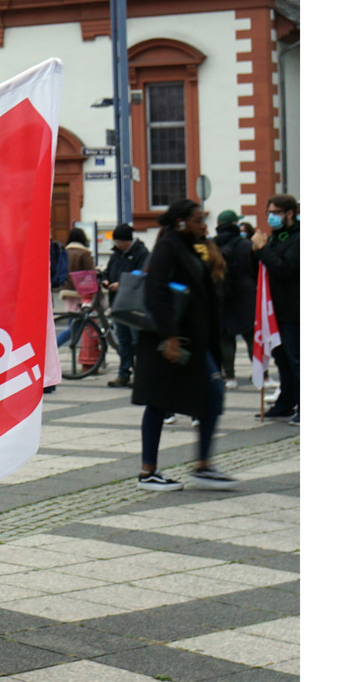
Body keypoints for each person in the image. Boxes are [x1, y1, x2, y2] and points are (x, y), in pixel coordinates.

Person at [130, 199, 236, 491]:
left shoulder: (188, 247)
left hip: (193, 341)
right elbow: (156, 291)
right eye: (198, 219)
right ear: (181, 222)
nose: (203, 224)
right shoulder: (168, 247)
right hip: (170, 342)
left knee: (211, 395)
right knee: (159, 401)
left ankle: (203, 465)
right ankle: (148, 471)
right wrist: (170, 336)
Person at [253, 194, 299, 423]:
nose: (271, 217)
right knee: (282, 359)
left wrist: (263, 250)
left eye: (275, 213)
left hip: (293, 309)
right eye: (269, 213)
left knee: (296, 359)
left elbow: (284, 269)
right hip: (275, 310)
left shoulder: (298, 239)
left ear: (289, 213)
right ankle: (286, 402)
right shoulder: (276, 238)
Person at [102, 223, 148, 388]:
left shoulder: (141, 253)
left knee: (136, 341)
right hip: (118, 304)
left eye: (119, 242)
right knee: (123, 341)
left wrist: (121, 284)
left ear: (127, 242)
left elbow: (141, 274)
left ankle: (140, 375)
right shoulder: (116, 255)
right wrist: (105, 279)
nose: (117, 246)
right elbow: (108, 270)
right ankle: (123, 373)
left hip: (133, 304)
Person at [213, 210, 254, 389]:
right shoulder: (246, 245)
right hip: (246, 297)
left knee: (225, 339)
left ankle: (230, 377)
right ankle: (263, 375)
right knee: (251, 336)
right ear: (235, 224)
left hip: (221, 297)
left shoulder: (211, 245)